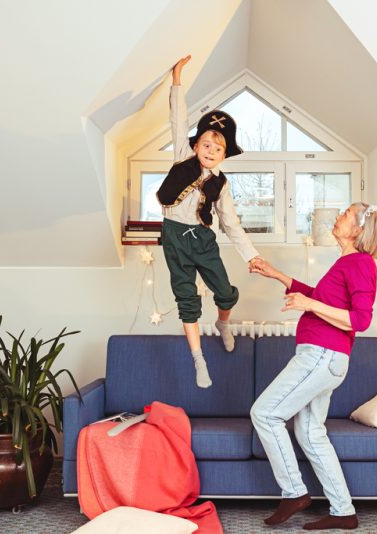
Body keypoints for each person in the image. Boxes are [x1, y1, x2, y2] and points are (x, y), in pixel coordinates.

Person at [249, 202, 377, 530]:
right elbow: (320, 299)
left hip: (322, 356)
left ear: (358, 229)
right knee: (310, 433)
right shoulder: (347, 262)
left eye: (346, 213)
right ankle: (343, 511)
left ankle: (294, 492)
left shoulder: (360, 263)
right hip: (323, 357)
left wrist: (309, 304)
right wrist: (278, 275)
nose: (338, 216)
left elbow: (361, 320)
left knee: (265, 414)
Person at [157, 55, 262, 388]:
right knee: (186, 299)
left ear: (225, 153)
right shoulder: (181, 158)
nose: (210, 150)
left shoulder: (223, 184)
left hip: (202, 240)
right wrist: (177, 81)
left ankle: (223, 324)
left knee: (226, 294)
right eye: (205, 143)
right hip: (173, 236)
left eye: (218, 147)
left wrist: (251, 255)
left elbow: (230, 224)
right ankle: (198, 360)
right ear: (196, 144)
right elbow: (178, 119)